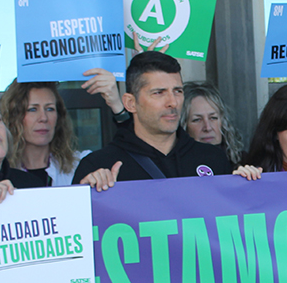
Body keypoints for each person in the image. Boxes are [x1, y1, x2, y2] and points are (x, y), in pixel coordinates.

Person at [73, 52, 232, 188]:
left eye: (177, 91)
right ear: (130, 103)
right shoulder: (99, 166)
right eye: (159, 93)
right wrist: (88, 196)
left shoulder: (213, 158)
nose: (173, 102)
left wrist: (247, 183)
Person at [0, 81, 89, 186]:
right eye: (32, 109)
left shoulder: (80, 165)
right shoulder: (1, 173)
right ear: (14, 117)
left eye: (50, 109)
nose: (43, 118)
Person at [182, 82, 245, 166]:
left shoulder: (243, 161)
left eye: (213, 118)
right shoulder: (175, 167)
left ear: (223, 121)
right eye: (197, 120)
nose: (207, 128)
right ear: (183, 125)